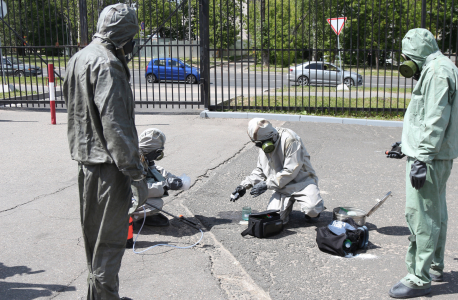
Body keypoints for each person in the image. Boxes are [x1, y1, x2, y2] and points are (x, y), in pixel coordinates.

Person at [63, 4, 147, 300]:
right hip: (110, 168)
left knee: (93, 242)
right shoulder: (108, 64)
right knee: (109, 244)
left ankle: (97, 297)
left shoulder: (78, 58)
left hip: (86, 162)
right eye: (132, 34)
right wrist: (136, 173)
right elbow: (116, 125)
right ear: (123, 32)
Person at [387, 28, 458, 299]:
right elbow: (423, 116)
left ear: (414, 53)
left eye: (406, 57)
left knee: (421, 216)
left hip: (429, 158)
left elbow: (436, 119)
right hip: (432, 155)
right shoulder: (438, 67)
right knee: (436, 211)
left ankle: (419, 277)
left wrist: (421, 156)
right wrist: (406, 145)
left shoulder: (437, 72)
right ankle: (436, 266)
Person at [230, 118, 324, 224]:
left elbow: (290, 171)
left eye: (261, 144)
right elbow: (260, 170)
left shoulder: (290, 139)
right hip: (281, 186)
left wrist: (266, 184)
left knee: (312, 209)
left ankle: (313, 210)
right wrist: (244, 186)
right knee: (274, 219)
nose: (260, 147)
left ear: (271, 137)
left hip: (302, 182)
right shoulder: (265, 143)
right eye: (257, 144)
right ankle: (287, 207)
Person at [130, 128, 183, 226]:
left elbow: (155, 169)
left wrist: (171, 177)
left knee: (155, 194)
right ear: (152, 150)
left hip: (129, 194)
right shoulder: (133, 162)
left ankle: (142, 215)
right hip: (123, 197)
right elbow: (137, 189)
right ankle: (131, 219)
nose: (159, 154)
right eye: (158, 151)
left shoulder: (141, 155)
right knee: (156, 204)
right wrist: (165, 185)